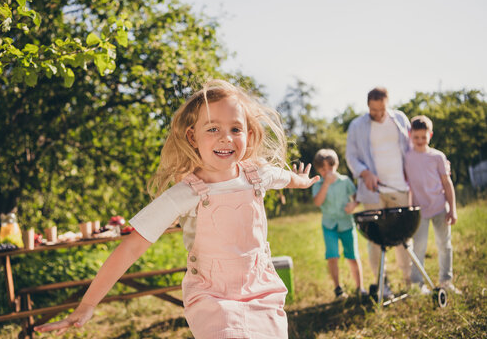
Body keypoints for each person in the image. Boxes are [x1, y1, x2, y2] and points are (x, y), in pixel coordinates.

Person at [35, 79, 320, 338]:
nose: (226, 137)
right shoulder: (184, 195)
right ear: (192, 137)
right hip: (212, 297)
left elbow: (288, 179)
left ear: (248, 134)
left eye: (236, 129)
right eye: (213, 129)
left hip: (261, 290)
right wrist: (87, 304)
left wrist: (303, 182)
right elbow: (130, 248)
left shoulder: (259, 175)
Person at [345, 87, 412, 296]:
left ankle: (410, 282)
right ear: (368, 106)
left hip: (400, 187)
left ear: (387, 104)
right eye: (374, 110)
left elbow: (412, 149)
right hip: (372, 191)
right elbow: (351, 156)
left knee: (403, 236)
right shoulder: (357, 125)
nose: (378, 114)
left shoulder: (400, 119)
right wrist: (365, 173)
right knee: (376, 239)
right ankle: (383, 284)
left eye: (382, 109)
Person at [404, 115, 460, 294]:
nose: (420, 141)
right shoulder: (406, 158)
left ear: (431, 135)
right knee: (418, 247)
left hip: (439, 207)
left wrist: (453, 209)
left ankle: (446, 281)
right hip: (419, 211)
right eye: (416, 137)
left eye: (424, 137)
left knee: (444, 245)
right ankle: (417, 285)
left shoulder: (438, 156)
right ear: (410, 135)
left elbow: (447, 183)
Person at [312, 149, 366, 299]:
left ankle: (360, 287)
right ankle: (338, 289)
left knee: (353, 256)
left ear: (336, 165)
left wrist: (353, 204)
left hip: (346, 224)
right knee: (332, 256)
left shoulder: (345, 181)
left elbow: (357, 196)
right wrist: (326, 184)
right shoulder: (318, 183)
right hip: (329, 226)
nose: (327, 172)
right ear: (318, 170)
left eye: (330, 167)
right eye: (323, 169)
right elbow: (318, 202)